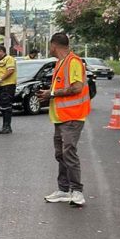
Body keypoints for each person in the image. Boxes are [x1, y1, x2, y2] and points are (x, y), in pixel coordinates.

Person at [37, 33, 91, 207]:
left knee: (69, 152)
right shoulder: (60, 63)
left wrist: (51, 93)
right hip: (60, 117)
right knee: (60, 154)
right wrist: (49, 95)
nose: (50, 49)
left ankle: (77, 191)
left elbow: (76, 88)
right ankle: (64, 189)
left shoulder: (73, 62)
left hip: (73, 116)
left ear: (54, 45)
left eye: (50, 46)